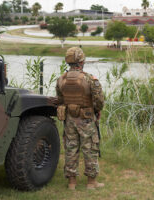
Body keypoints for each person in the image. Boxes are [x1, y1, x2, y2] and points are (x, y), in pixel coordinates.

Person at [56, 47, 105, 190]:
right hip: (86, 119)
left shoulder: (61, 79)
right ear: (81, 61)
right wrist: (97, 111)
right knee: (90, 149)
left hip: (70, 119)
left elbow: (60, 99)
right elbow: (99, 101)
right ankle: (91, 182)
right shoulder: (90, 79)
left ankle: (72, 183)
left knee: (71, 148)